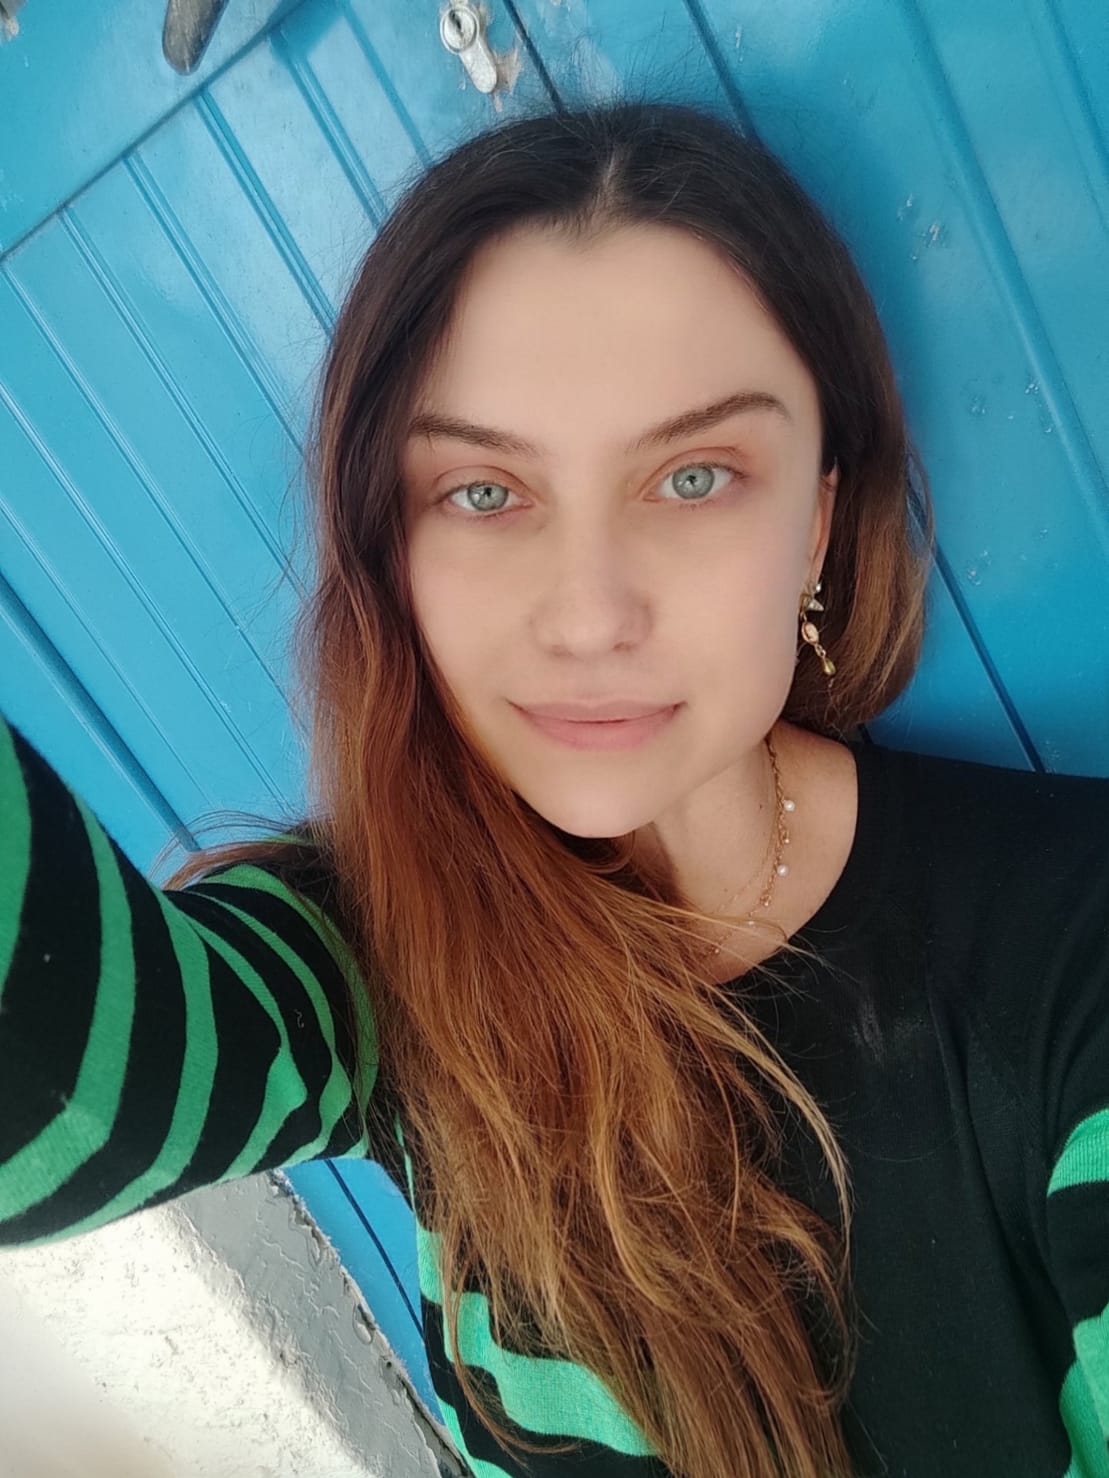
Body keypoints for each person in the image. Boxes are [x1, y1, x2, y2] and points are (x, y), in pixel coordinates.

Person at [1, 99, 1106, 1478]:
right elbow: (54, 1092)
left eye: (693, 476)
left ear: (819, 518)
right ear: (391, 545)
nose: (588, 617)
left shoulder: (1074, 953)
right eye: (483, 492)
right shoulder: (380, 949)